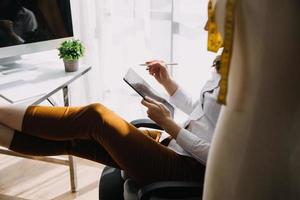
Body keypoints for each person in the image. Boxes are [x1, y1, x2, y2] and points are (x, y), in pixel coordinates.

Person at [0, 57, 221, 186]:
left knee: (96, 117)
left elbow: (218, 159)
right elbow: (201, 109)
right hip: (174, 145)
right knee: (74, 141)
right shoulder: (228, 62)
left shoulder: (252, 89)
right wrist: (168, 82)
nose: (205, 26)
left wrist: (168, 124)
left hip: (189, 169)